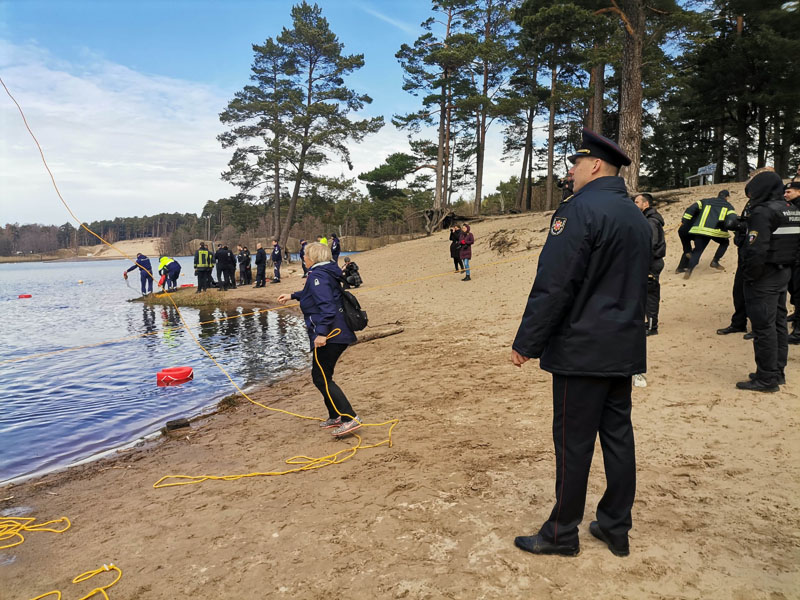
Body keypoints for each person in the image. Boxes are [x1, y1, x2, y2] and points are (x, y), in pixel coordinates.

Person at [511, 127, 650, 558]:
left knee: (573, 442)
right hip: (623, 345)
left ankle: (561, 533)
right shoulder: (636, 217)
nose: (569, 173)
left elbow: (554, 284)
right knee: (618, 437)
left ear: (594, 165)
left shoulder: (578, 212)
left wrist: (526, 342)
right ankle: (615, 526)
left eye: (574, 164)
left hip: (582, 349)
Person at [277, 242, 361, 438]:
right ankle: (336, 415)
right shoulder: (324, 273)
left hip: (332, 334)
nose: (303, 259)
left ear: (312, 258)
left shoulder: (318, 276)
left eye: (305, 256)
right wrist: (292, 295)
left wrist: (321, 334)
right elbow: (313, 295)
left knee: (320, 377)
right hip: (336, 332)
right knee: (322, 375)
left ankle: (350, 418)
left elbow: (327, 306)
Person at [736, 171, 800, 391]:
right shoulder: (791, 209)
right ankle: (776, 372)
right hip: (783, 272)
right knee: (779, 324)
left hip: (764, 276)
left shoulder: (763, 212)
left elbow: (756, 249)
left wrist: (750, 276)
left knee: (764, 328)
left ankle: (766, 379)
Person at [717, 198, 753, 336]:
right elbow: (747, 223)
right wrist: (735, 225)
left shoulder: (769, 205)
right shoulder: (752, 202)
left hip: (757, 257)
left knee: (755, 295)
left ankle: (758, 328)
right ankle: (738, 323)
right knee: (738, 291)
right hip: (744, 254)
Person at [683, 190, 736, 278]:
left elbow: (692, 208)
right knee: (724, 243)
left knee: (698, 251)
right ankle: (715, 261)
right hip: (717, 232)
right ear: (727, 197)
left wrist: (685, 219)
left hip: (700, 230)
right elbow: (732, 218)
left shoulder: (705, 201)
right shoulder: (728, 206)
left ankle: (689, 271)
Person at [633, 193, 666, 335]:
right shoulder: (646, 219)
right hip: (649, 262)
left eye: (637, 202)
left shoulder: (651, 221)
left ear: (645, 204)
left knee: (651, 294)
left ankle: (652, 327)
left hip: (651, 263)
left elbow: (650, 243)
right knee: (645, 293)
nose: (634, 204)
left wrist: (643, 262)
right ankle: (648, 323)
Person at [784, 182, 800, 344]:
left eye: (789, 191)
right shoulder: (792, 206)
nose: (785, 194)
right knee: (794, 288)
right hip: (793, 255)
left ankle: (798, 332)